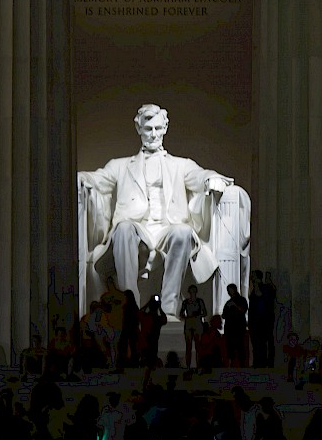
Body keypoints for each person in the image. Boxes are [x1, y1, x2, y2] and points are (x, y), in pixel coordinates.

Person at [78, 104, 233, 316]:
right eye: (148, 129)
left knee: (184, 231)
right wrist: (81, 178)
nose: (153, 134)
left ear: (165, 128)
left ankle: (169, 307)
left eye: (158, 129)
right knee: (123, 229)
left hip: (166, 228)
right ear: (138, 128)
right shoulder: (120, 165)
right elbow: (98, 180)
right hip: (136, 228)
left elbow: (200, 176)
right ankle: (129, 306)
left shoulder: (181, 165)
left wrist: (211, 178)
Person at [179, 284, 206, 368]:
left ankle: (198, 365)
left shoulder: (199, 301)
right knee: (188, 346)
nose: (192, 293)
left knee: (198, 346)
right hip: (189, 324)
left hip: (197, 324)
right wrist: (187, 317)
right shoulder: (186, 302)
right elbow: (181, 314)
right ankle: (188, 366)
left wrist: (197, 315)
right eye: (191, 291)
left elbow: (205, 313)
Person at [222, 283, 248, 368]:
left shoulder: (241, 300)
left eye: (230, 290)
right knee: (230, 347)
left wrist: (235, 306)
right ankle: (230, 365)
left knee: (240, 346)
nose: (229, 292)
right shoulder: (228, 302)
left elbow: (243, 310)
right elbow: (223, 315)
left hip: (239, 327)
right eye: (228, 291)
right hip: (230, 328)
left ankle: (242, 365)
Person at [141, 295, 168, 367]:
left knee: (145, 364)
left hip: (145, 344)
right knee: (152, 363)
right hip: (153, 344)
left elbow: (139, 312)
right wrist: (160, 307)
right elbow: (165, 319)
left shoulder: (145, 317)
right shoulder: (158, 319)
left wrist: (148, 303)